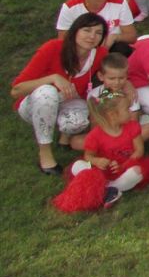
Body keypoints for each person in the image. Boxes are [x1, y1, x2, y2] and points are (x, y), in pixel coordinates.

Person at [12, 13, 109, 173]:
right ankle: (45, 152)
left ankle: (65, 136)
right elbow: (16, 90)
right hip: (37, 103)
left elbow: (111, 77)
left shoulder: (100, 55)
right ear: (75, 31)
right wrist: (53, 78)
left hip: (68, 101)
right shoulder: (52, 48)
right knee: (48, 92)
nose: (92, 36)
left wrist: (128, 87)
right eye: (86, 30)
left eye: (98, 33)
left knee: (78, 122)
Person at [68, 87, 149, 208]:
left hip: (124, 167)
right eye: (127, 109)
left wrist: (123, 165)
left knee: (137, 172)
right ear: (113, 115)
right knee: (77, 165)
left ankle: (109, 188)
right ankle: (108, 188)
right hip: (102, 170)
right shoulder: (95, 135)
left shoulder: (133, 127)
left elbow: (139, 151)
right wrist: (97, 161)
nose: (131, 112)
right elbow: (88, 156)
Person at [56, 0, 136, 56]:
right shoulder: (70, 7)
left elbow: (132, 36)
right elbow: (63, 40)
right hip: (81, 48)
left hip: (109, 47)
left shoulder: (120, 4)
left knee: (122, 49)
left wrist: (114, 37)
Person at [88, 52, 149, 143]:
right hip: (106, 128)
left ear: (127, 76)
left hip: (126, 127)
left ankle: (118, 145)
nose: (117, 82)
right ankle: (118, 145)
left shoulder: (130, 94)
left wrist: (119, 134)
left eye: (121, 78)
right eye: (112, 78)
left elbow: (133, 122)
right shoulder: (93, 95)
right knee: (76, 142)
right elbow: (94, 122)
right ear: (101, 76)